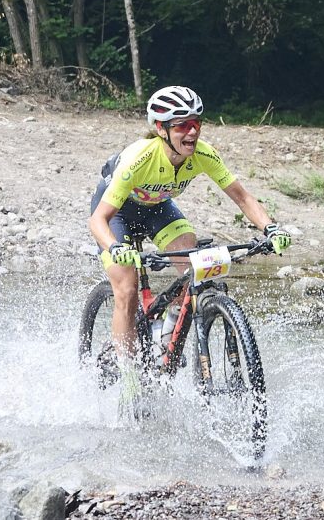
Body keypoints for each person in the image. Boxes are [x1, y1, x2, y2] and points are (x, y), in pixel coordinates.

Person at [88, 85, 291, 412]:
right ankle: (129, 377)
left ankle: (165, 340)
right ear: (161, 129)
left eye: (196, 122)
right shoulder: (140, 157)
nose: (192, 131)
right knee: (125, 288)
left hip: (157, 208)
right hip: (117, 213)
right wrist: (114, 248)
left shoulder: (204, 154)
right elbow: (98, 219)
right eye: (182, 125)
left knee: (195, 270)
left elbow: (242, 197)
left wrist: (270, 228)